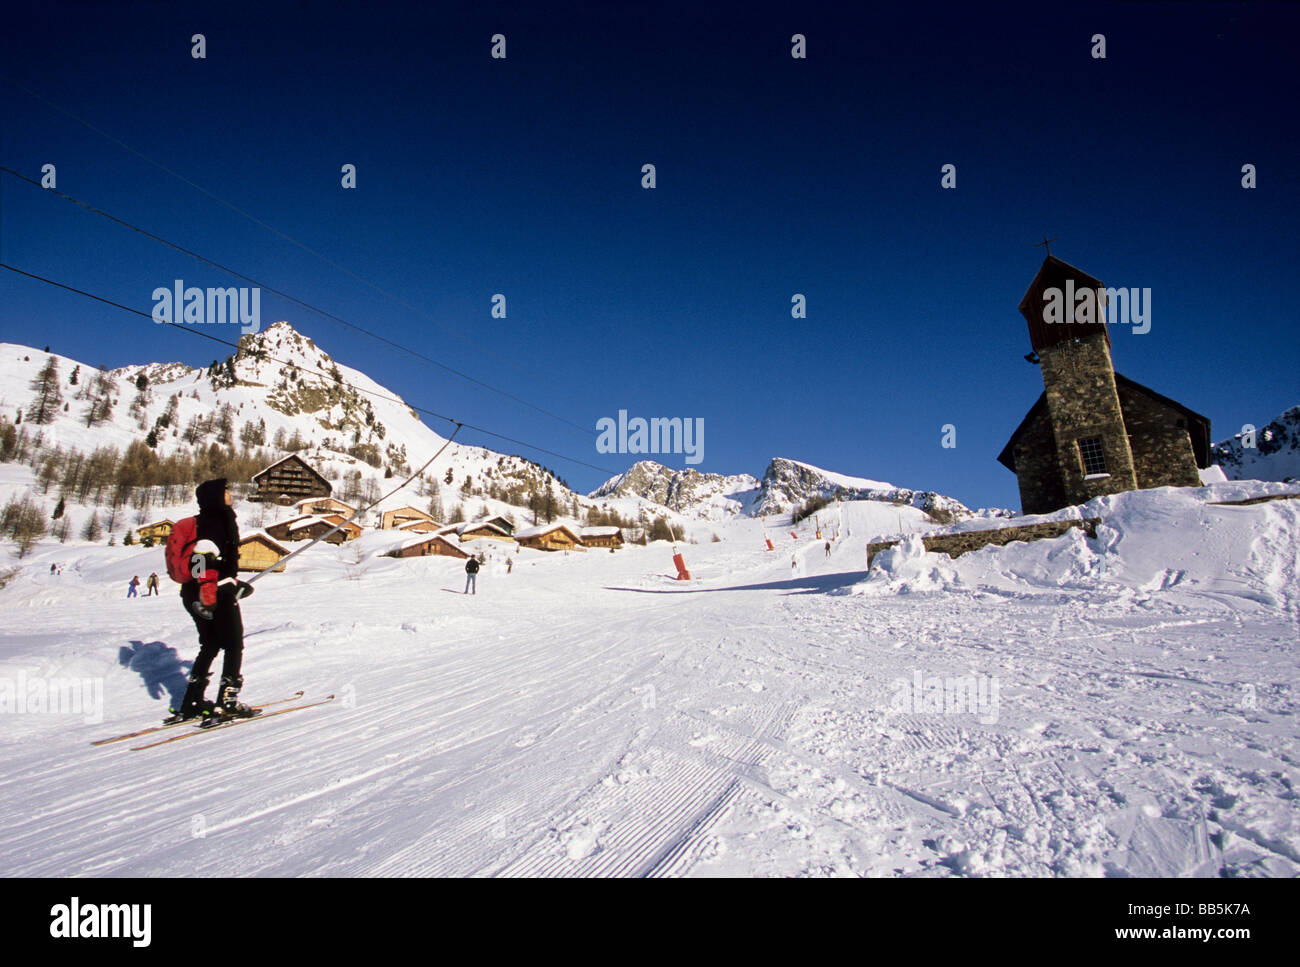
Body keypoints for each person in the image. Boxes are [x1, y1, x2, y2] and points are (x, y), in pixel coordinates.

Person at [171, 479, 254, 722]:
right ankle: (227, 702)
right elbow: (201, 560)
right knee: (233, 644)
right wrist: (209, 594)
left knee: (210, 644)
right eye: (226, 491)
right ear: (216, 497)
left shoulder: (208, 521)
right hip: (211, 594)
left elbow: (214, 562)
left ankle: (192, 701)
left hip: (199, 592)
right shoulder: (215, 522)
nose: (230, 493)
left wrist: (234, 584)